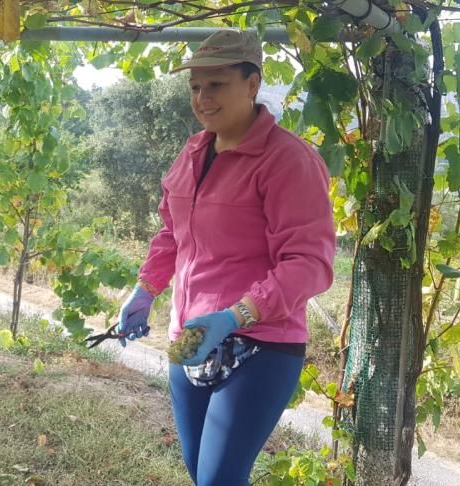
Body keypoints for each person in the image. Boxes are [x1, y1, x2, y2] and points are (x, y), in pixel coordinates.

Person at [115, 29, 336, 485]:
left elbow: (310, 263)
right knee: (202, 475)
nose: (202, 98)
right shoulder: (194, 151)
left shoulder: (287, 160)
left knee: (219, 479)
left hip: (261, 342)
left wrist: (236, 314)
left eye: (216, 85)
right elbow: (173, 232)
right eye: (195, 87)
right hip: (191, 336)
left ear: (252, 83)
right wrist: (145, 290)